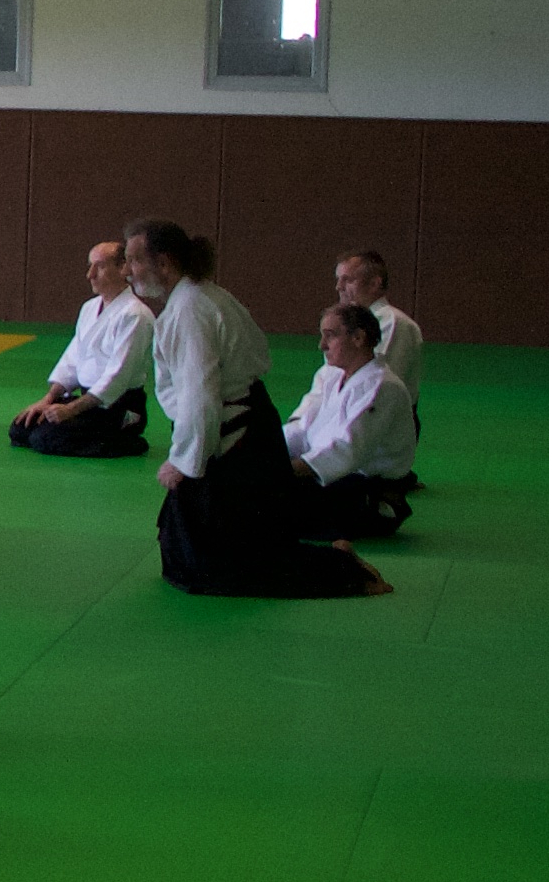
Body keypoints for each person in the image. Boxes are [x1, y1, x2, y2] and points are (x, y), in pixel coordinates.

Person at [129, 219, 388, 598]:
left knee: (223, 564)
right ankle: (336, 559)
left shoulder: (191, 308)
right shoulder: (202, 297)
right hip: (242, 430)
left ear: (164, 263)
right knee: (191, 552)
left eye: (135, 260)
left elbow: (200, 395)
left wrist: (183, 462)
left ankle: (345, 571)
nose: (129, 270)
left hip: (234, 438)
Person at [285, 302, 418, 539]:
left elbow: (347, 450)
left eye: (330, 336)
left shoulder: (383, 387)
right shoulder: (334, 377)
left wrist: (282, 470)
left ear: (358, 338)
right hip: (333, 483)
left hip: (367, 497)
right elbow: (304, 429)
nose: (322, 345)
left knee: (268, 500)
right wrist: (267, 450)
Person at [12, 241, 155, 458]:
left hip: (119, 406)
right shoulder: (89, 308)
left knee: (45, 438)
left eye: (100, 267)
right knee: (20, 429)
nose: (90, 275)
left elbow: (118, 376)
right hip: (88, 402)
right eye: (90, 266)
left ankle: (129, 438)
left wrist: (70, 410)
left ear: (123, 268)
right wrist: (48, 399)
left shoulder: (135, 315)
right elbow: (72, 359)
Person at [333, 250, 429, 400]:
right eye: (338, 279)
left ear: (374, 284)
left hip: (376, 410)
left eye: (348, 280)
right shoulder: (347, 324)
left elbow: (377, 384)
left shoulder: (394, 323)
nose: (339, 287)